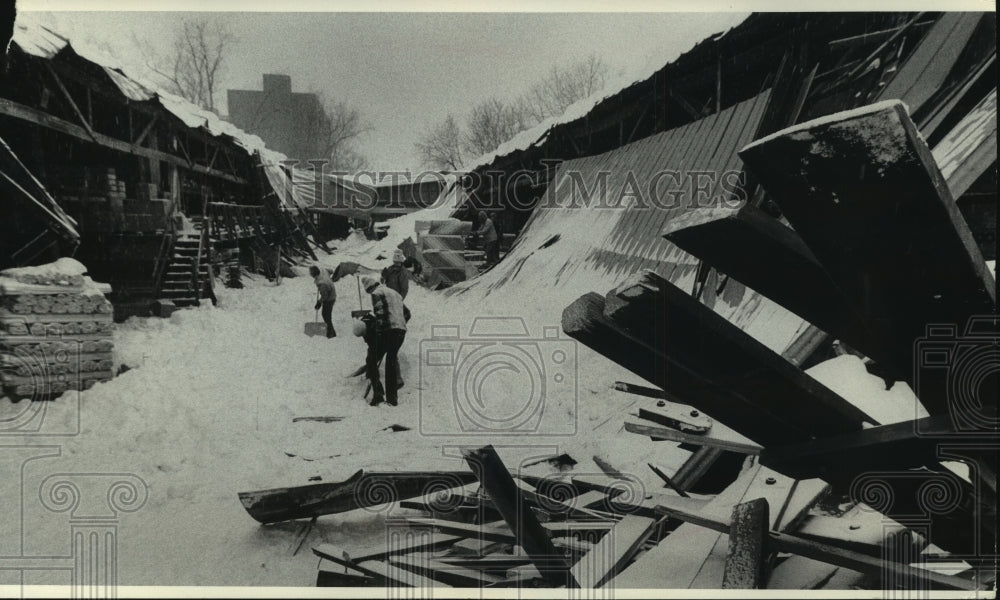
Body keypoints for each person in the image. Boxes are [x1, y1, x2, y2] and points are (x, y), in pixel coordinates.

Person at [361, 275, 406, 406]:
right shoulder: (395, 293)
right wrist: (399, 324)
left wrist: (378, 334)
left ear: (370, 288)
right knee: (391, 362)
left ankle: (378, 395)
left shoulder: (376, 293)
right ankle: (392, 399)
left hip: (388, 331)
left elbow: (380, 315)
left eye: (368, 291)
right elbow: (407, 313)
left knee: (371, 360)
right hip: (401, 331)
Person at [310, 265, 337, 338]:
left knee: (326, 315)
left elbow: (325, 296)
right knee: (326, 314)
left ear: (314, 274)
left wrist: (319, 302)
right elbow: (331, 270)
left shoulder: (322, 284)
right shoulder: (323, 270)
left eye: (311, 274)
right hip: (331, 292)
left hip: (330, 298)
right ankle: (330, 330)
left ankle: (331, 333)